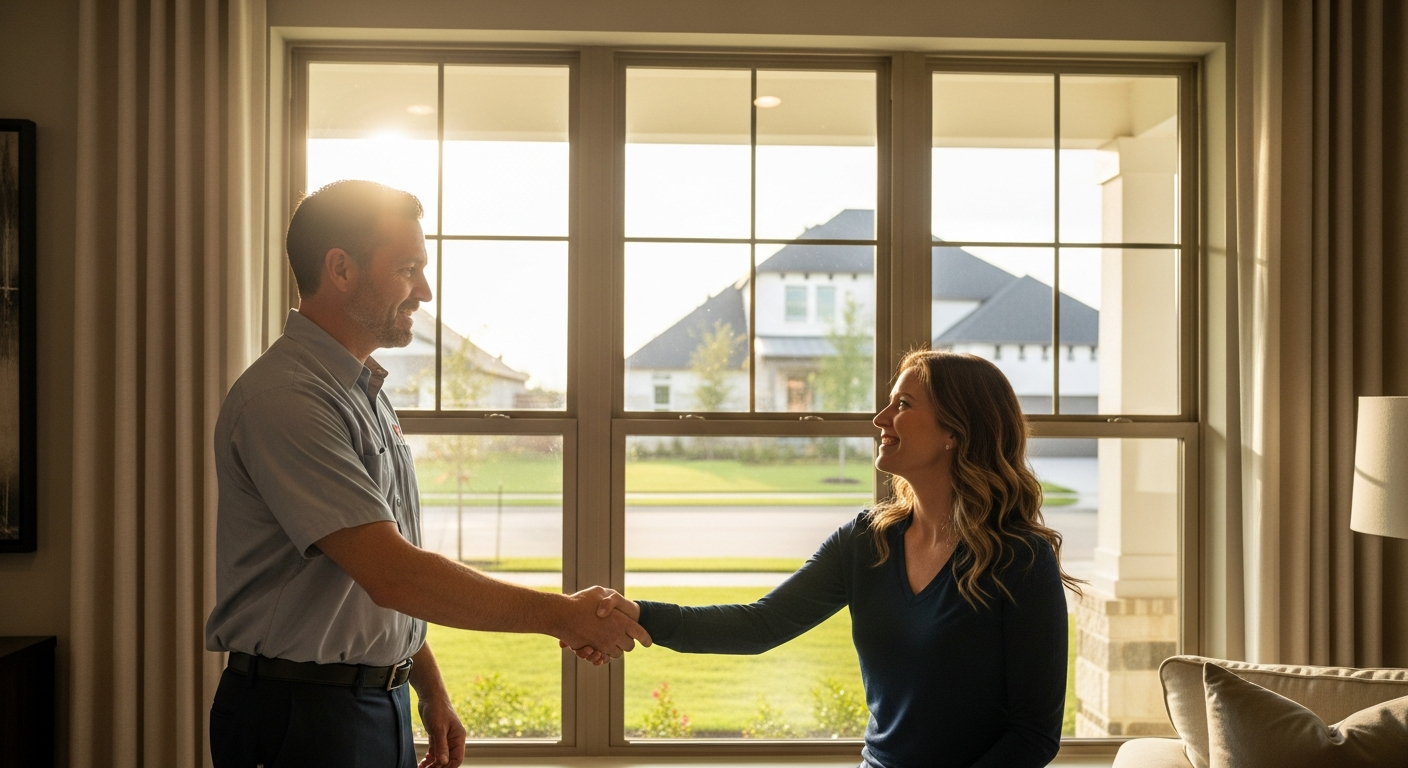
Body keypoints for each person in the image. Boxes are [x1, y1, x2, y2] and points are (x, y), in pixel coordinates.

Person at [205, 180, 649, 768]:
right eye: (408, 268)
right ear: (340, 268)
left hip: (364, 705)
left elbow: (376, 587)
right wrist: (560, 615)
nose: (426, 290)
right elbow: (394, 574)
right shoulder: (288, 399)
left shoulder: (361, 391)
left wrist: (426, 687)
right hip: (302, 719)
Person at [580, 350, 1078, 767]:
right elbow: (761, 625)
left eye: (903, 405)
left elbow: (1033, 735)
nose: (881, 420)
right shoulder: (866, 541)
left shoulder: (1020, 560)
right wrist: (639, 615)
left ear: (956, 430)